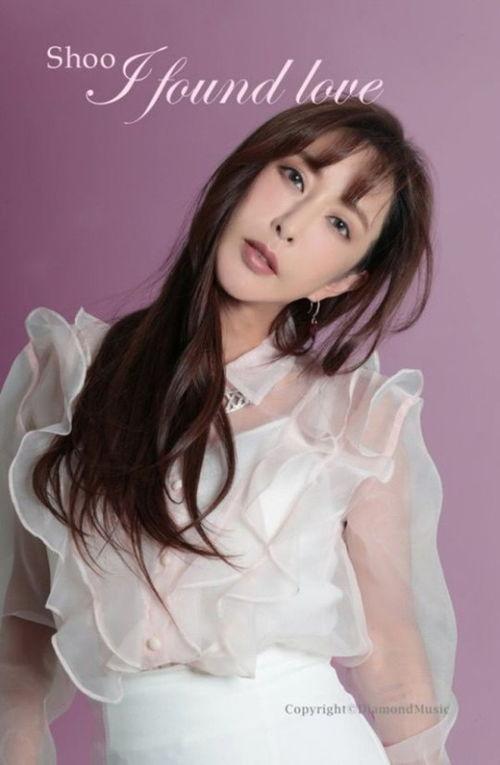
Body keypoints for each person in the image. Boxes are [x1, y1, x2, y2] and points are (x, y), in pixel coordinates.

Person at [0, 97, 458, 764]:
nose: (289, 224)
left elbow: (392, 657)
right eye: (295, 176)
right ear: (246, 172)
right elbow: (18, 640)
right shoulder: (64, 373)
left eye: (338, 222)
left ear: (343, 280)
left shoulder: (354, 417)